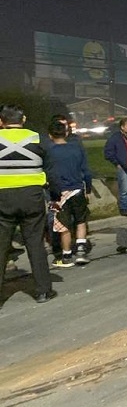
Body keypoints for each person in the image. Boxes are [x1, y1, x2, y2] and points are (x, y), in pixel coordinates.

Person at [0, 104, 57, 304]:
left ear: (1, 121)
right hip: (32, 197)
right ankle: (43, 291)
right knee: (35, 244)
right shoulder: (37, 138)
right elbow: (51, 167)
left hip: (3, 198)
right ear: (23, 120)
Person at [47, 120, 93, 267]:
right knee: (80, 221)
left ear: (50, 135)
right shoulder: (76, 149)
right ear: (66, 133)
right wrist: (88, 188)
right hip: (78, 189)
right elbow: (86, 171)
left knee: (63, 224)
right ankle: (81, 251)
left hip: (59, 193)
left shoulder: (49, 152)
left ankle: (66, 255)